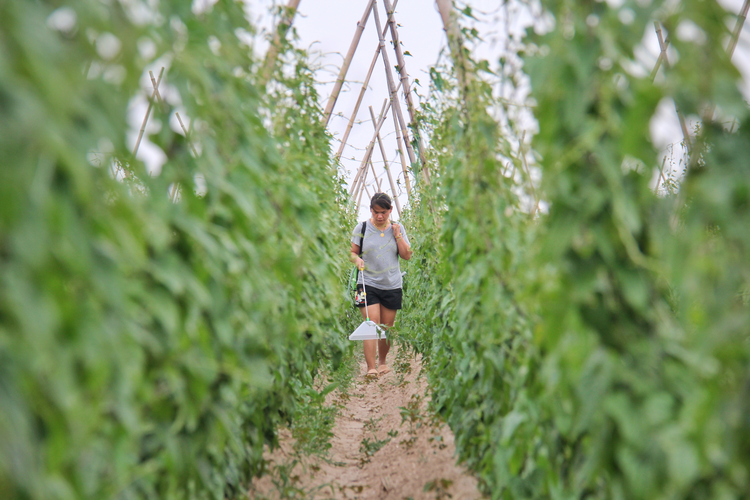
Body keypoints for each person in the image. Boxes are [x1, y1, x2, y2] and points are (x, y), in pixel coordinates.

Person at [350, 192, 412, 377]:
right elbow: (352, 252)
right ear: (371, 210)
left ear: (390, 210)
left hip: (391, 284)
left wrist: (398, 235)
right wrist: (357, 261)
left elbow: (407, 255)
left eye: (383, 212)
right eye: (376, 211)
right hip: (366, 282)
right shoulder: (361, 228)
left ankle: (383, 363)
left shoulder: (397, 228)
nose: (379, 216)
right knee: (371, 323)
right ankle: (371, 368)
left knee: (387, 326)